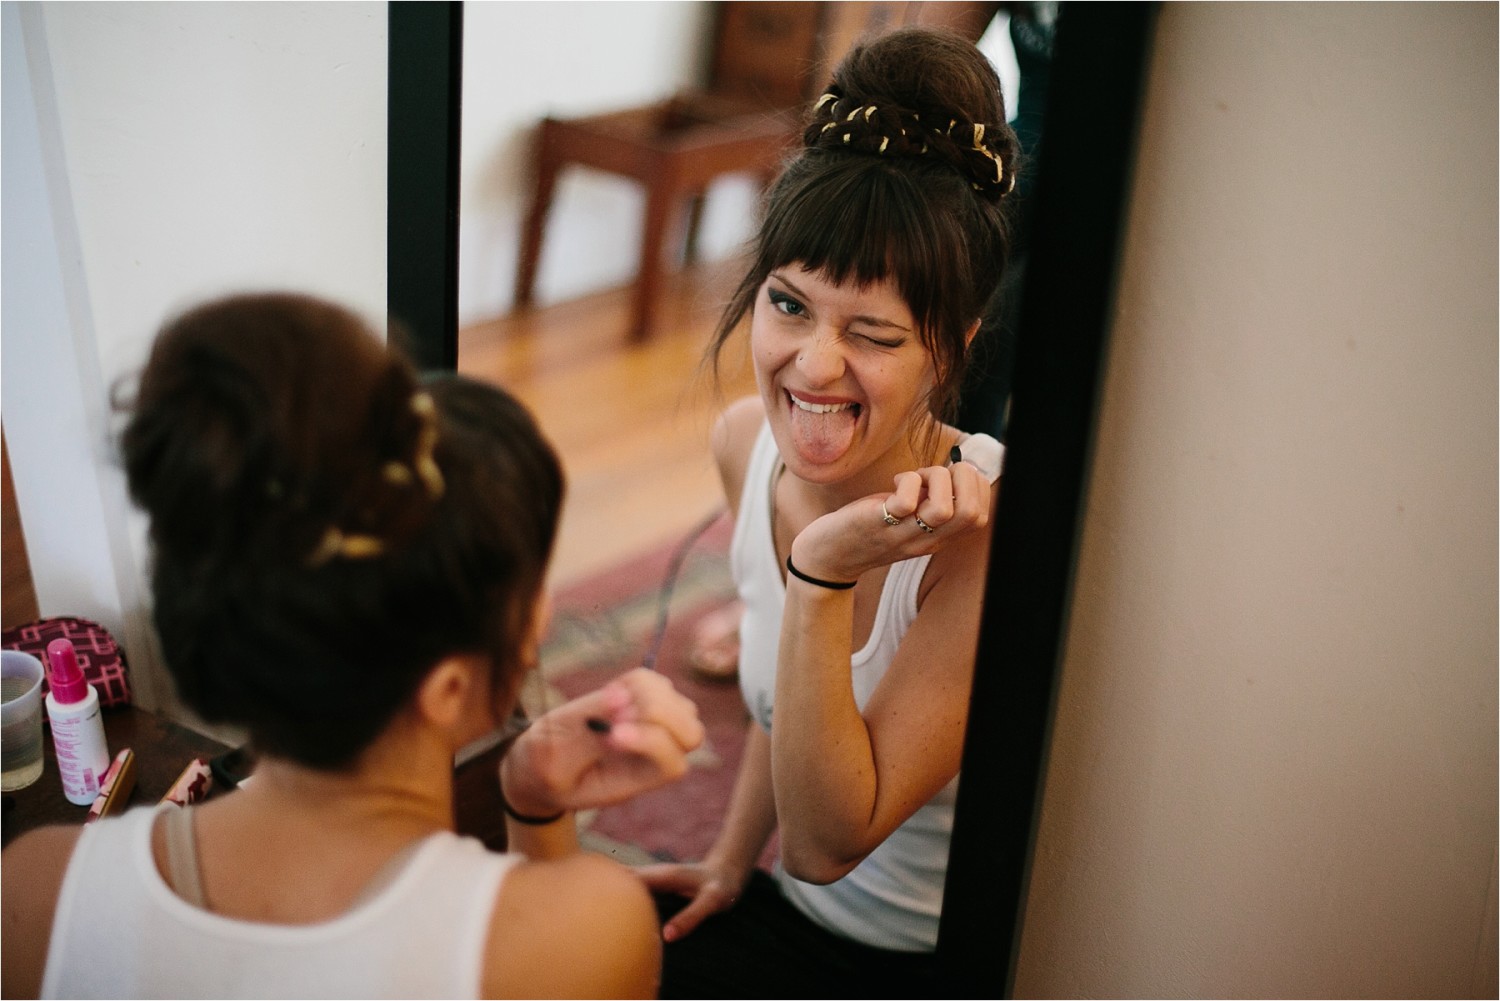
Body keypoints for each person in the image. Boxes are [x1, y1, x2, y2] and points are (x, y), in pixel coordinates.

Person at [0, 292, 704, 999]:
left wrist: (526, 786)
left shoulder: (36, 892)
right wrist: (536, 814)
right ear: (448, 686)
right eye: (531, 587)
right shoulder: (584, 934)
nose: (544, 618)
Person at [640, 26, 1021, 996]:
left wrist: (823, 570)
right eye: (790, 305)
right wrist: (730, 860)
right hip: (786, 912)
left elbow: (823, 843)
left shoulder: (980, 533)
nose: (813, 365)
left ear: (953, 344)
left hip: (924, 964)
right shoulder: (742, 443)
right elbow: (782, 698)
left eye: (874, 333)